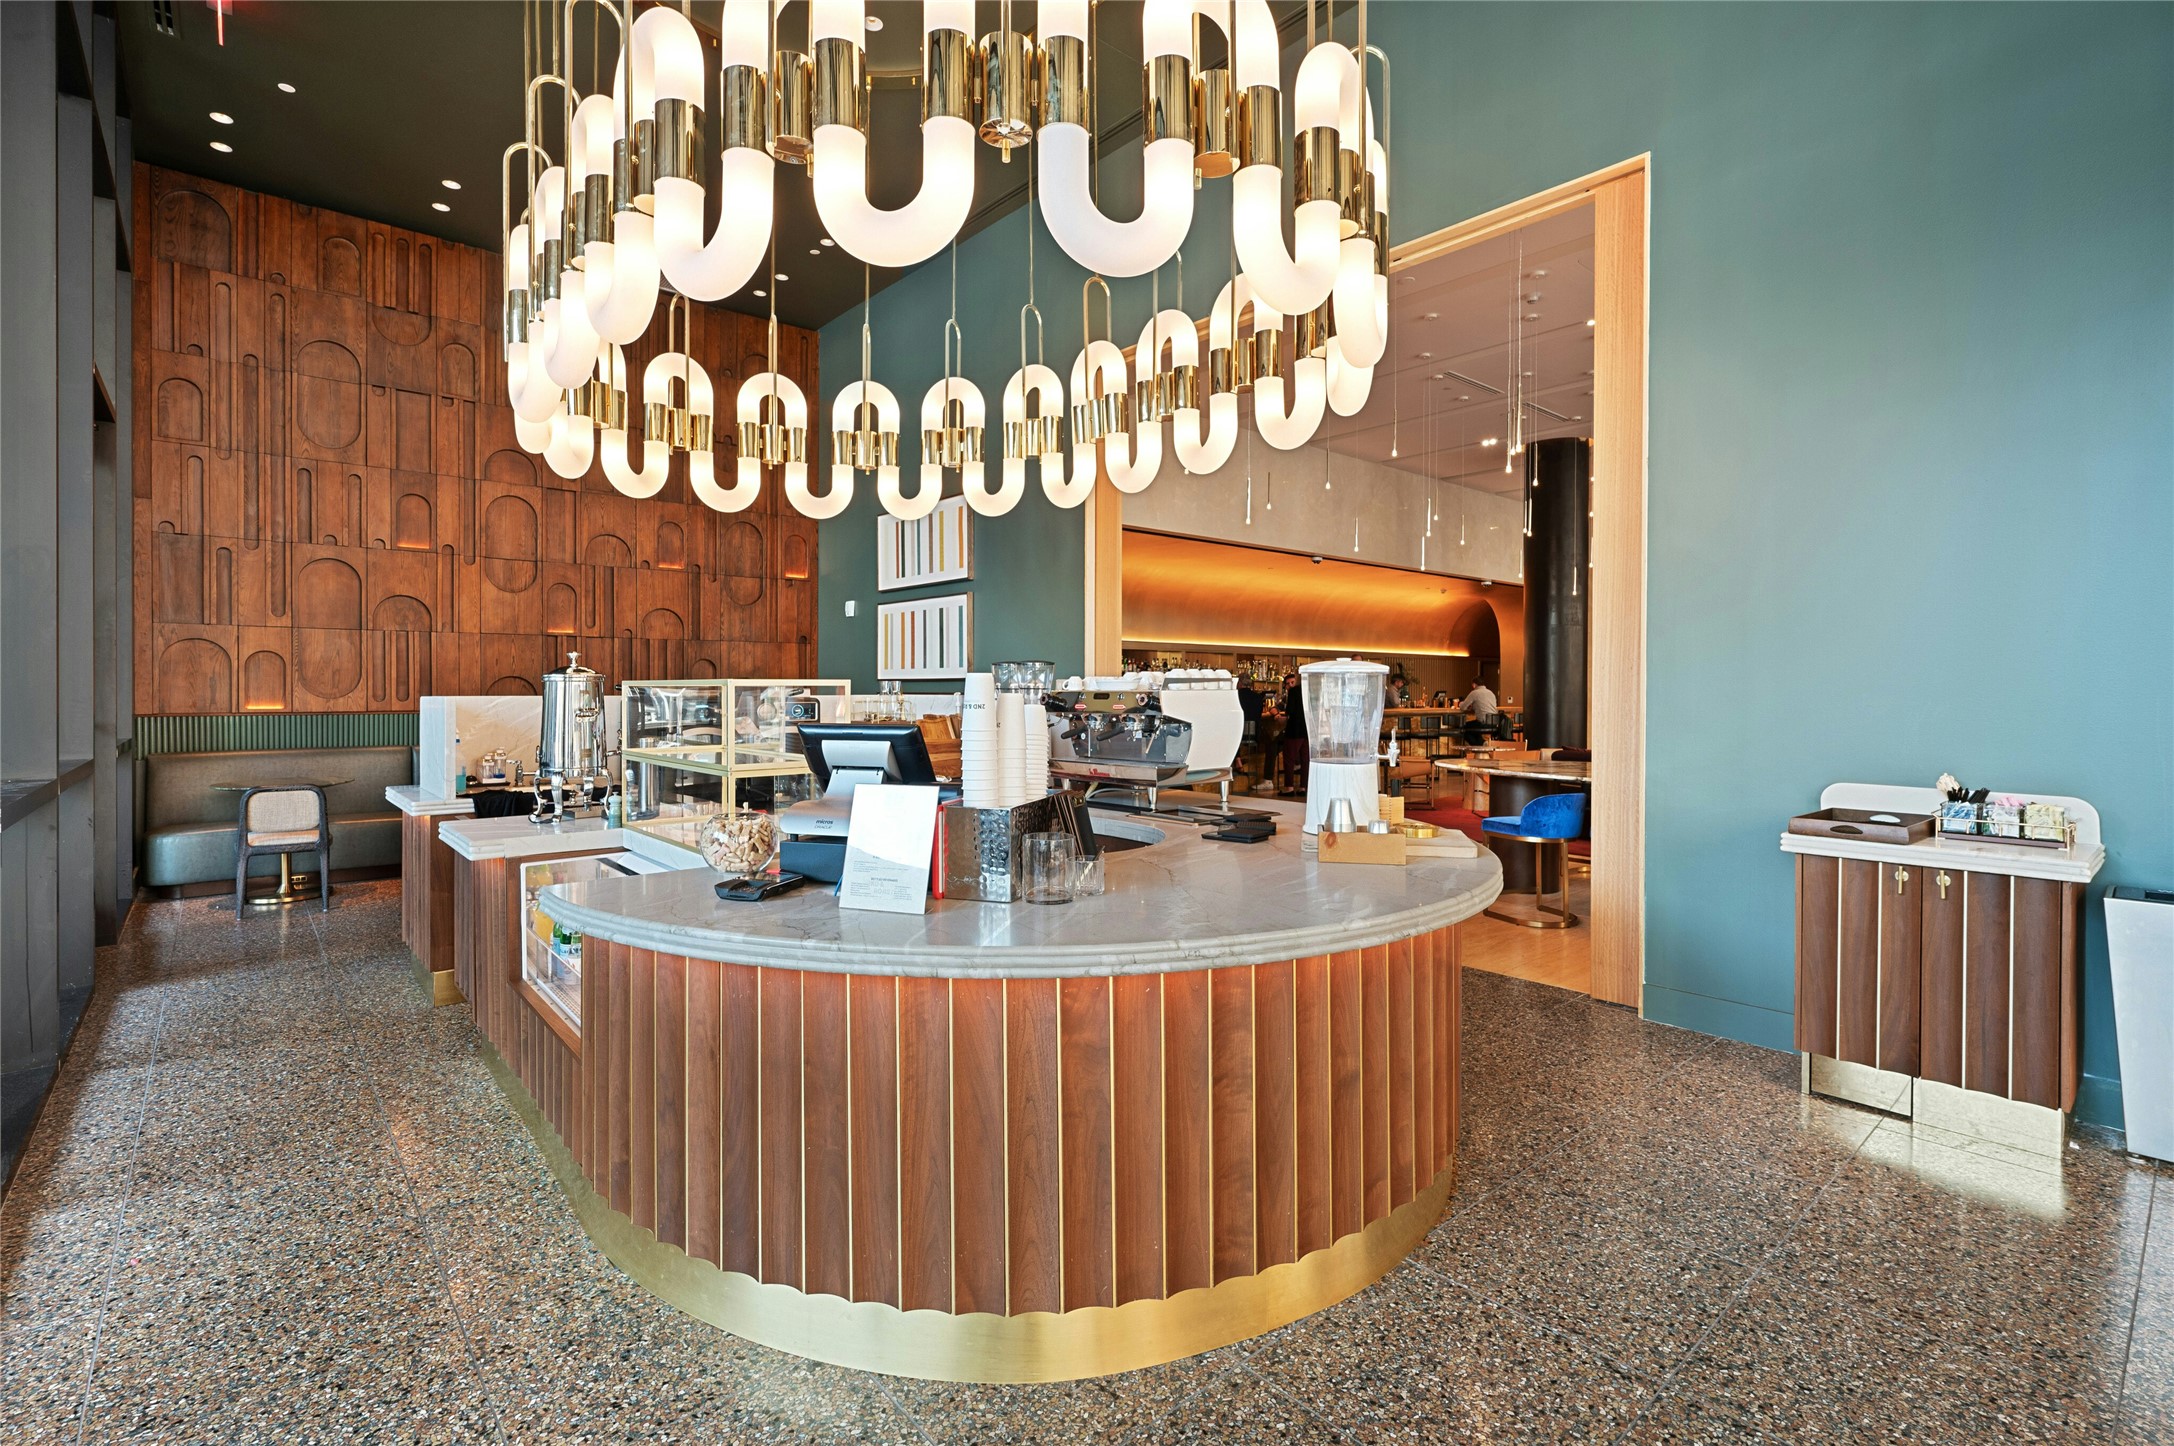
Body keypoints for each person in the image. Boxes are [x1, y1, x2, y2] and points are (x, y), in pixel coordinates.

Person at [1279, 672, 1307, 791]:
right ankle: (1303, 787)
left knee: (1289, 758)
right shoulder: (1310, 690)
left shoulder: (1294, 691)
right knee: (1305, 760)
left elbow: (1289, 710)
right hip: (1307, 729)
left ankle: (1289, 787)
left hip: (1295, 728)